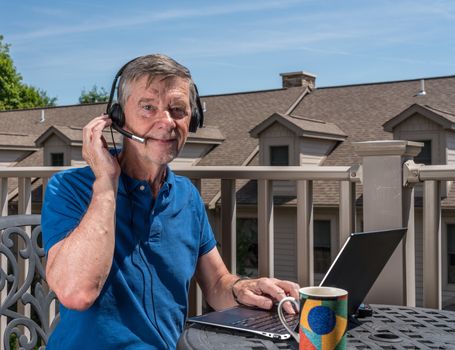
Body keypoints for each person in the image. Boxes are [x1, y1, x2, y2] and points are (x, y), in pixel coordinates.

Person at [42, 54, 299, 349]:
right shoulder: (69, 188)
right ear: (117, 118)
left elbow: (216, 285)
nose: (166, 122)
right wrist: (105, 184)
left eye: (178, 110)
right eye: (148, 107)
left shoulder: (187, 196)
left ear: (193, 120)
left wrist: (244, 288)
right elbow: (77, 293)